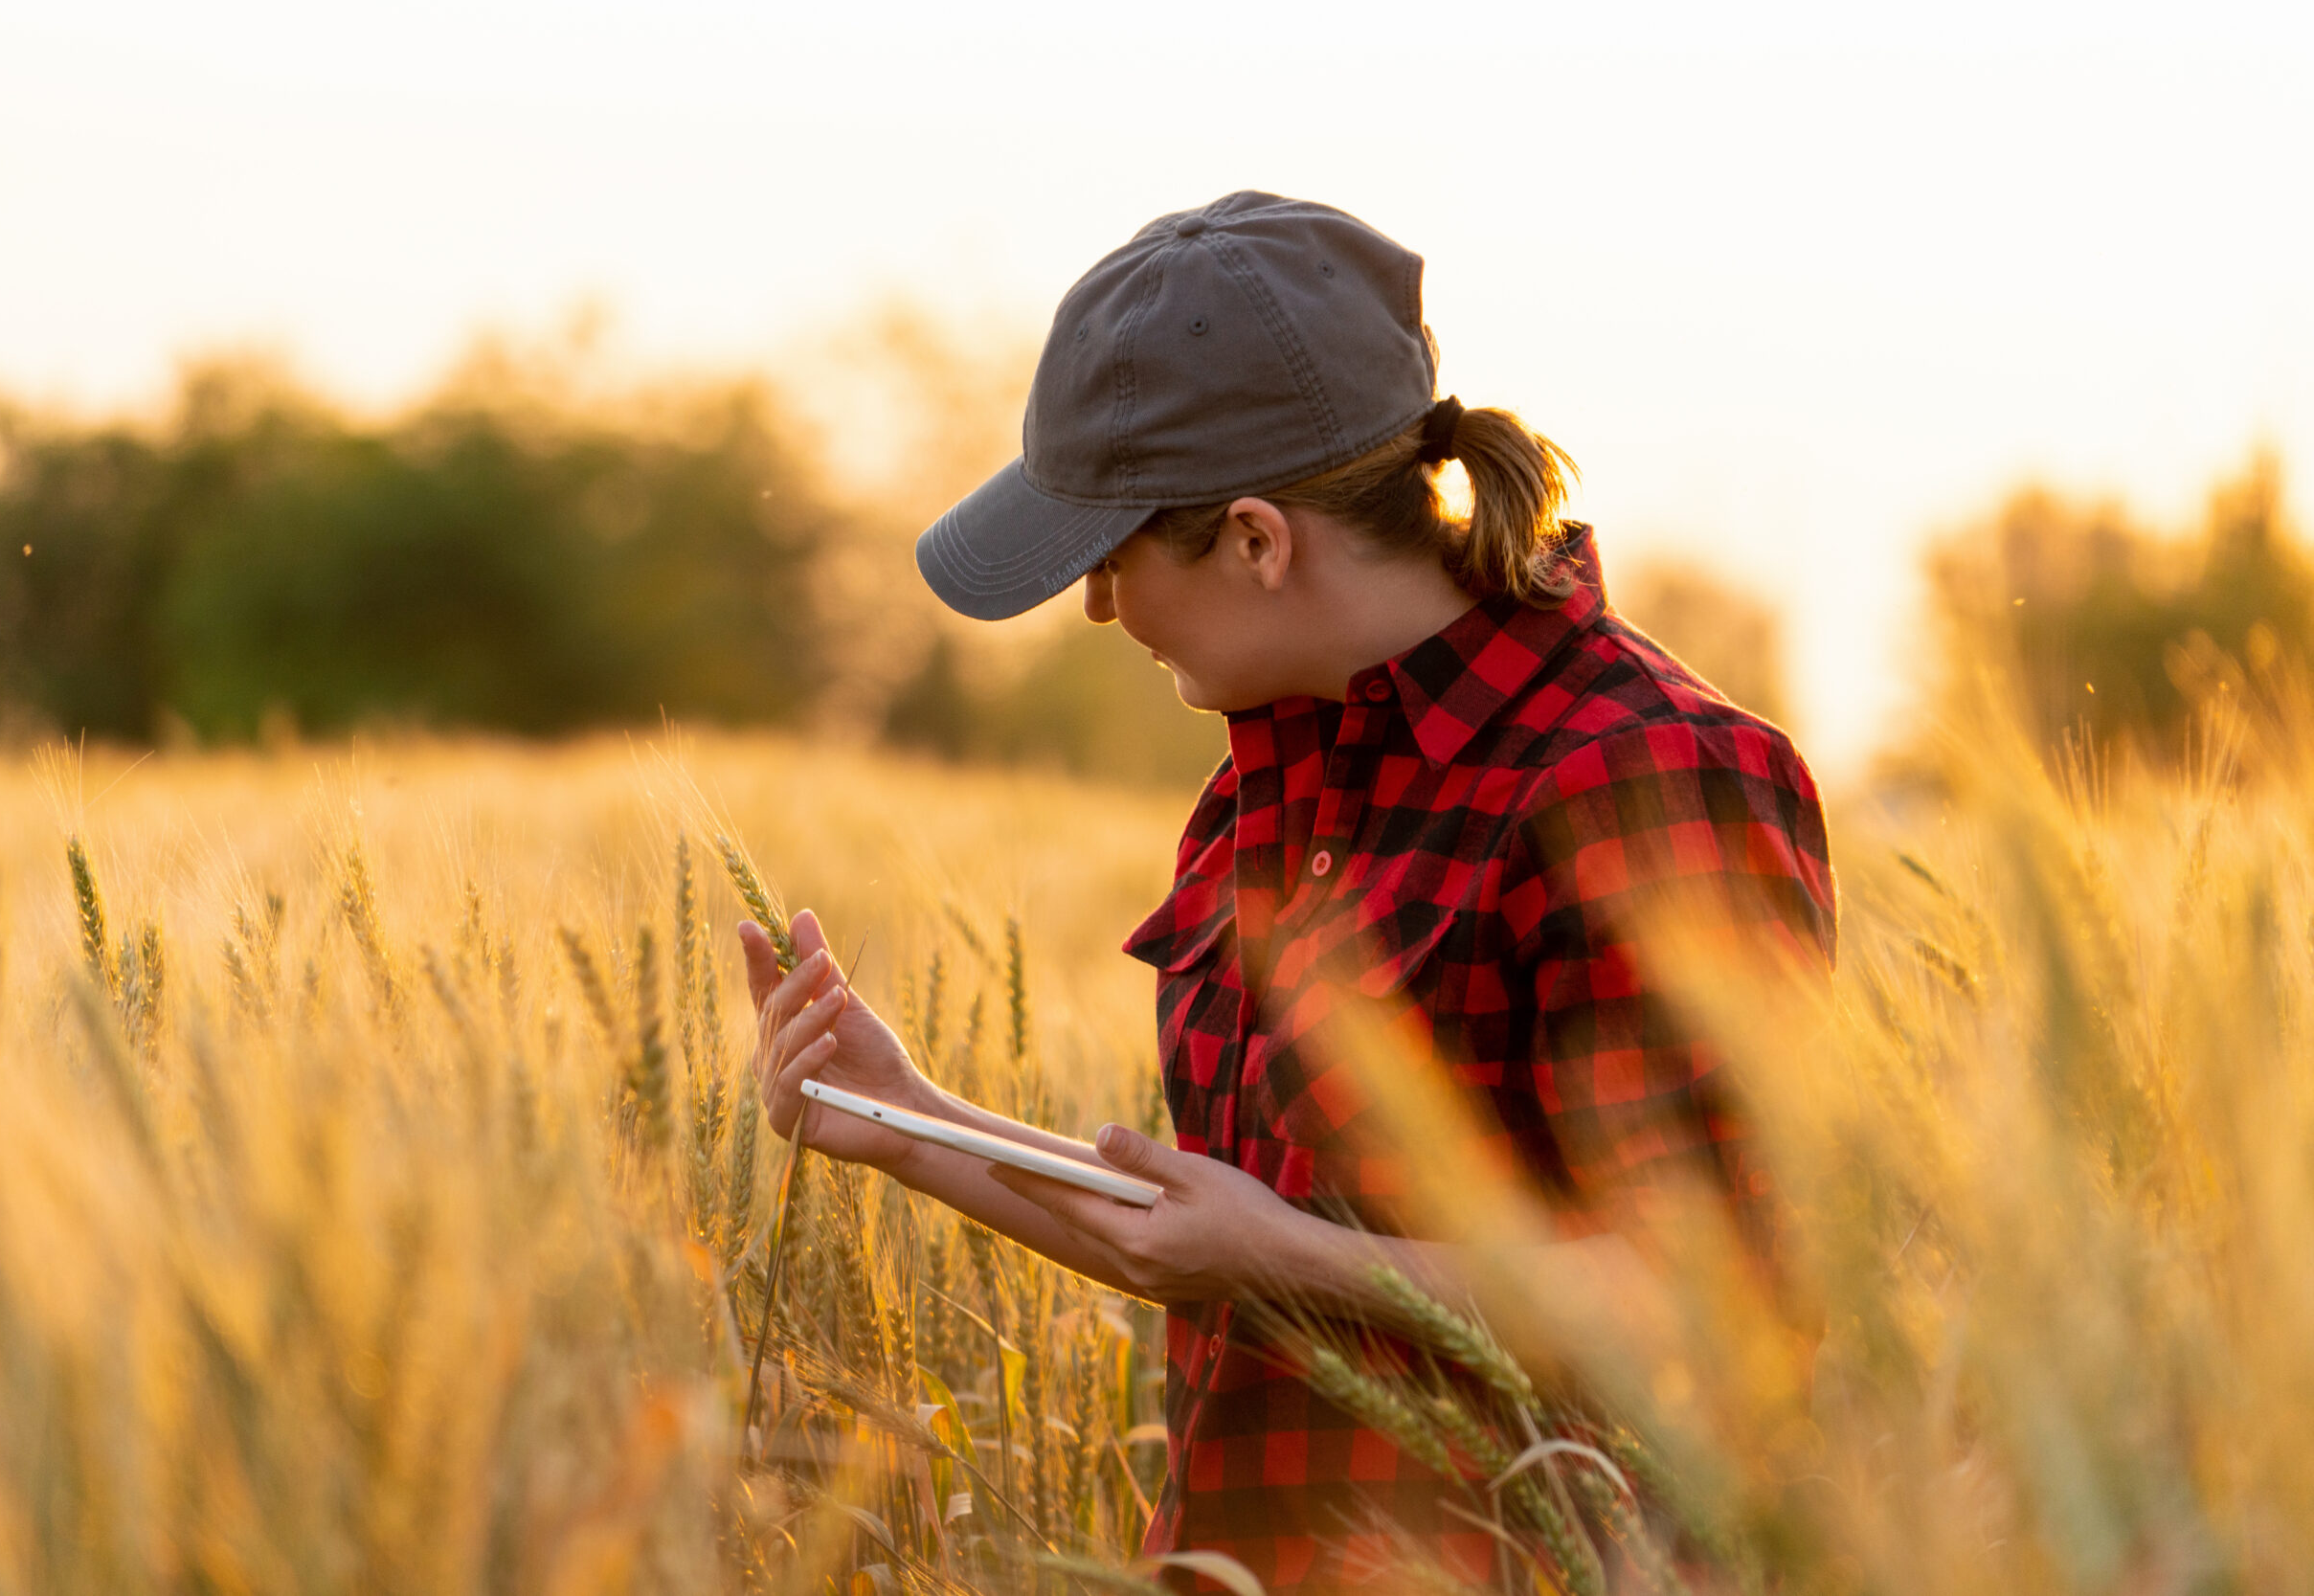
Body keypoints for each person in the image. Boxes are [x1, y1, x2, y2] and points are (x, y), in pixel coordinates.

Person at [737, 191, 1837, 1592]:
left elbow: (1718, 1301)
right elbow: (1199, 1242)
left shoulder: (1647, 778)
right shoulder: (1264, 793)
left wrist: (1294, 1256)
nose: (1090, 608)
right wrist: (901, 1119)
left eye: (1112, 556)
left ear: (1257, 539)